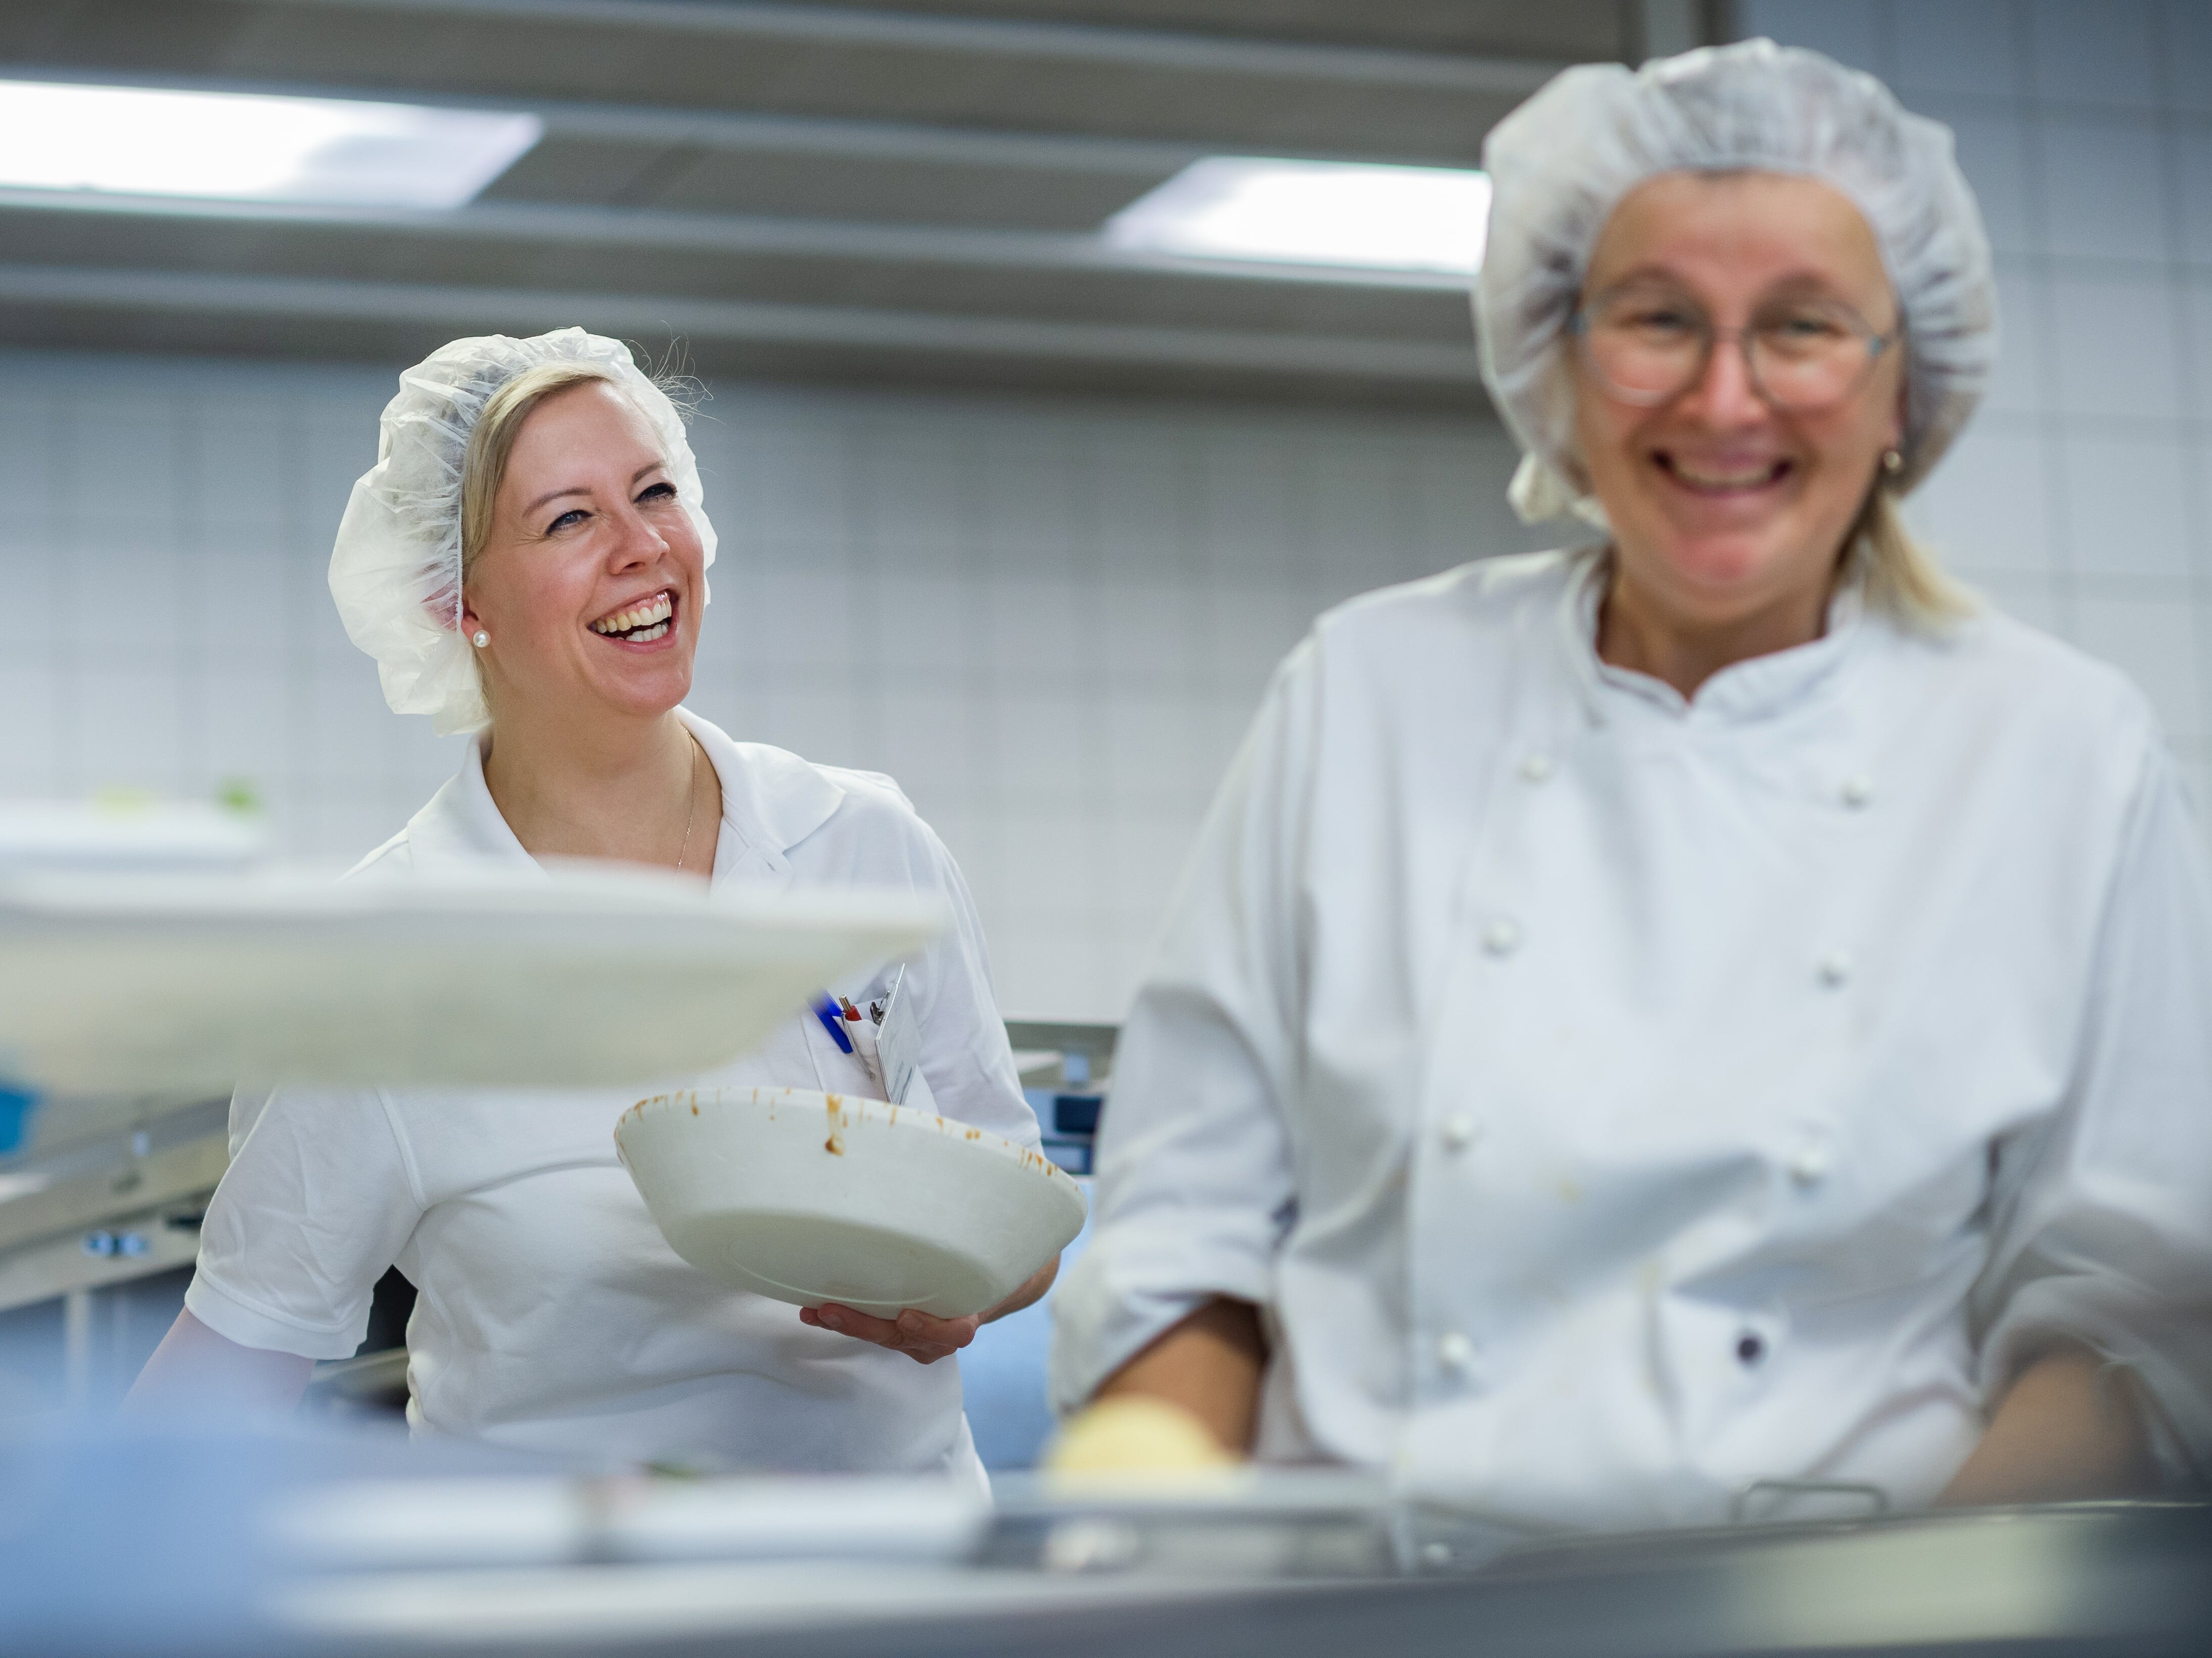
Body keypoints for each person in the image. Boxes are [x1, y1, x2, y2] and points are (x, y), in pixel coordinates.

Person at [1050, 40, 2212, 1528]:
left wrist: (1921, 1613)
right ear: (1561, 363)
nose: (1727, 400)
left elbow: (2128, 1327)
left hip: (1853, 1623)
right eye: (1659, 320)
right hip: (1369, 1606)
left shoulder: (2059, 754)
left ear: (1902, 387)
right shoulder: (1368, 692)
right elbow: (1184, 1247)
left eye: (1800, 328)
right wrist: (1142, 1571)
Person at [128, 329, 1051, 1480]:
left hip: (897, 1582)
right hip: (560, 1604)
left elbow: (1013, 1207)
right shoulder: (379, 968)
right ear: (455, 602)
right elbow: (234, 1356)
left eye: (654, 492)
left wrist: (952, 1292)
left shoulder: (857, 842)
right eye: (569, 518)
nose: (643, 547)